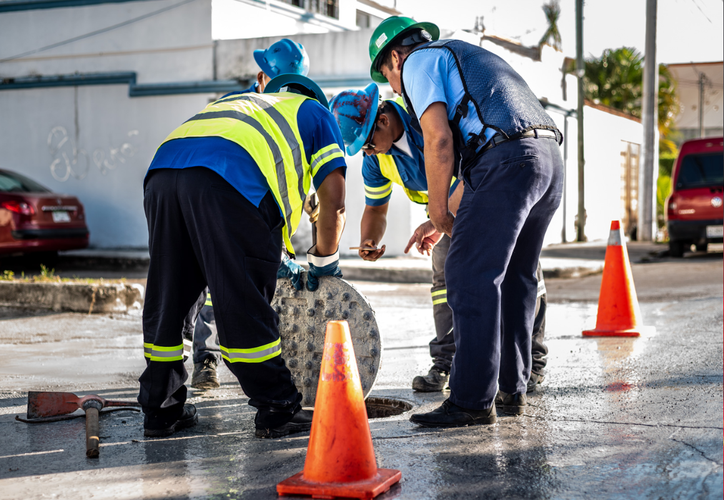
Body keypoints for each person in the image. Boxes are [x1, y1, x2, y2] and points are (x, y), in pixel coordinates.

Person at [368, 16, 564, 427]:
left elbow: (439, 141)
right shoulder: (462, 57)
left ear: (395, 57)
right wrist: (439, 220)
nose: (393, 86)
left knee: (469, 272)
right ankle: (513, 389)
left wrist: (438, 211)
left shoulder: (419, 63)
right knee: (515, 276)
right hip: (545, 157)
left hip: (507, 161)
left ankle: (472, 401)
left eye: (387, 74)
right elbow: (479, 150)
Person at [140, 74, 347, 439]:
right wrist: (325, 264)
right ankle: (277, 407)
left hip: (162, 173)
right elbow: (334, 197)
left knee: (169, 293)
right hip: (229, 178)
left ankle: (161, 407)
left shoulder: (241, 102)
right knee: (240, 295)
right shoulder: (315, 112)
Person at [329, 84, 548, 394]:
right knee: (444, 282)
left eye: (367, 144)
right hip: (445, 217)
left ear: (383, 121)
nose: (367, 151)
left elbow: (472, 169)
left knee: (521, 274)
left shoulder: (427, 119)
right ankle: (446, 363)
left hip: (491, 195)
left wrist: (435, 219)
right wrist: (369, 239)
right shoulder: (376, 159)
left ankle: (533, 361)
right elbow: (375, 209)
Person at [188, 38, 311, 390]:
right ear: (261, 77)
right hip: (228, 202)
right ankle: (207, 360)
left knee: (253, 289)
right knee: (214, 284)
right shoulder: (236, 106)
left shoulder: (293, 110)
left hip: (260, 208)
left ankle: (259, 366)